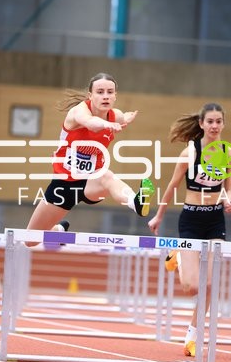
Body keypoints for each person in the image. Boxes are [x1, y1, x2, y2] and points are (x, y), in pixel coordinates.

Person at [147, 103, 231, 357]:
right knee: (191, 286)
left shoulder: (228, 153)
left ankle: (193, 336)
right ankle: (177, 257)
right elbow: (172, 186)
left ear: (223, 124)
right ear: (201, 124)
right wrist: (158, 216)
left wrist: (228, 201)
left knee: (210, 284)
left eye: (218, 121)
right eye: (210, 121)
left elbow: (227, 188)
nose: (215, 126)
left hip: (215, 221)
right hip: (191, 220)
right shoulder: (190, 153)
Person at [25, 73, 154, 243]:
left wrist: (126, 118)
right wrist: (107, 124)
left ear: (115, 96)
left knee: (107, 176)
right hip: (63, 184)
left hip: (91, 181)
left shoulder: (116, 116)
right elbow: (91, 124)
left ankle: (136, 202)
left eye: (110, 92)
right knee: (30, 240)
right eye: (100, 92)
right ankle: (58, 229)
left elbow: (122, 117)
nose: (105, 96)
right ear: (90, 95)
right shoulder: (78, 111)